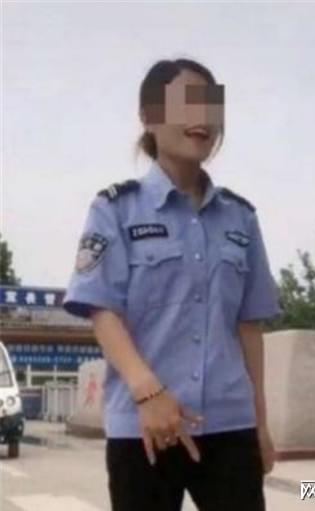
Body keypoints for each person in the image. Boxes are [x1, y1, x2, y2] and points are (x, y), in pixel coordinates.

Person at [62, 58, 283, 511]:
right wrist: (149, 392)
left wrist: (260, 425)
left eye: (210, 107)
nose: (202, 119)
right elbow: (103, 311)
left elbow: (249, 328)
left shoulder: (240, 218)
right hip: (143, 426)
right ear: (149, 116)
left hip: (229, 427)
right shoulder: (115, 209)